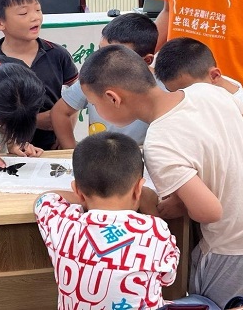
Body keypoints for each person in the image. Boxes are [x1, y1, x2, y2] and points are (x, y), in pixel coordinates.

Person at [79, 45, 243, 308]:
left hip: (242, 250)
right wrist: (231, 166)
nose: (95, 109)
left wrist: (181, 202)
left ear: (113, 98)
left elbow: (209, 211)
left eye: (94, 104)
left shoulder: (159, 143)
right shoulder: (207, 91)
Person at [34, 132, 182, 310]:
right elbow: (168, 278)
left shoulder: (63, 224)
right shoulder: (156, 230)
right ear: (138, 189)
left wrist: (84, 197)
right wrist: (151, 209)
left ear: (77, 190)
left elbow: (45, 199)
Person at [0, 0, 79, 150]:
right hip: (11, 149)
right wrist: (33, 120)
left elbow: (76, 95)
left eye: (38, 9)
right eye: (23, 13)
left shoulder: (57, 54)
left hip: (55, 145)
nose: (35, 17)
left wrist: (65, 132)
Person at [154, 37, 243, 167]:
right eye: (173, 92)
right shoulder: (214, 84)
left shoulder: (237, 108)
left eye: (188, 91)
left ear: (214, 76)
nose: (182, 98)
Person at [51, 12, 158, 148]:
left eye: (116, 55)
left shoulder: (161, 88)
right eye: (100, 51)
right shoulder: (93, 79)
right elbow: (60, 112)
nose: (103, 61)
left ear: (146, 60)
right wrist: (70, 150)